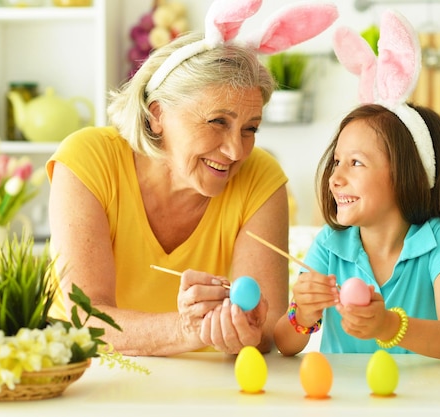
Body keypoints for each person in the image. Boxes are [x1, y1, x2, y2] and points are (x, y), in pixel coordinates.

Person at [45, 0, 338, 356]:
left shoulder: (261, 178)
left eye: (250, 128)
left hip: (205, 382)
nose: (235, 151)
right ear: (157, 115)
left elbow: (267, 330)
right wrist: (187, 330)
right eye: (218, 121)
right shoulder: (88, 159)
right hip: (86, 373)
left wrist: (250, 327)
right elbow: (86, 319)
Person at [273, 10, 440, 362]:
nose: (336, 177)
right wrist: (302, 315)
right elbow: (284, 343)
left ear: (405, 174)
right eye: (337, 161)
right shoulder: (331, 244)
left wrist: (388, 326)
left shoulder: (437, 242)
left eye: (356, 162)